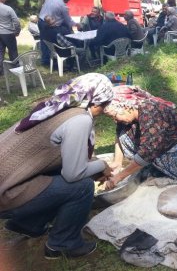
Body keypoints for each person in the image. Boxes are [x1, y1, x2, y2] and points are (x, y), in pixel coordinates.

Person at [0, 73, 114, 259]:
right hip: (5, 195)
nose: (104, 110)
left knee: (60, 178)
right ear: (96, 102)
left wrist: (92, 165)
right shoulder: (80, 119)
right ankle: (63, 244)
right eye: (105, 104)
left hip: (7, 184)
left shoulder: (55, 106)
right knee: (82, 187)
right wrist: (102, 165)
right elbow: (73, 174)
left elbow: (57, 159)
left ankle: (28, 224)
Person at [103, 86, 177, 189]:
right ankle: (159, 168)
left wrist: (119, 177)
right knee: (124, 136)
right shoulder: (130, 113)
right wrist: (117, 163)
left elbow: (147, 153)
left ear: (126, 107)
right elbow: (119, 134)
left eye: (114, 115)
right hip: (159, 154)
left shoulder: (152, 114)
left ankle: (173, 170)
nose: (115, 119)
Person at [38, 0, 80, 65]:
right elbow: (68, 21)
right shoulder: (63, 6)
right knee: (54, 40)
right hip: (50, 25)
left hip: (41, 21)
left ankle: (45, 60)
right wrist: (77, 24)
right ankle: (60, 57)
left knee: (44, 40)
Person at [0, 0, 20, 76]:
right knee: (13, 51)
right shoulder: (8, 9)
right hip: (8, 33)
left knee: (0, 52)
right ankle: (16, 69)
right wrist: (17, 30)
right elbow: (16, 21)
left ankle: (0, 71)